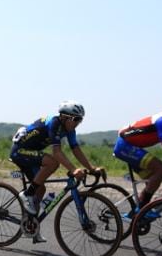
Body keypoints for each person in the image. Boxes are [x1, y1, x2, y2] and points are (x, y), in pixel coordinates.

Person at [9, 102, 102, 242]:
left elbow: (75, 149)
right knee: (52, 162)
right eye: (76, 119)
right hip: (19, 151)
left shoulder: (69, 129)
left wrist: (91, 168)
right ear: (65, 117)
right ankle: (27, 194)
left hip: (30, 152)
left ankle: (31, 225)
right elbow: (57, 152)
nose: (78, 122)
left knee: (40, 189)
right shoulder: (55, 123)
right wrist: (73, 169)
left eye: (80, 120)